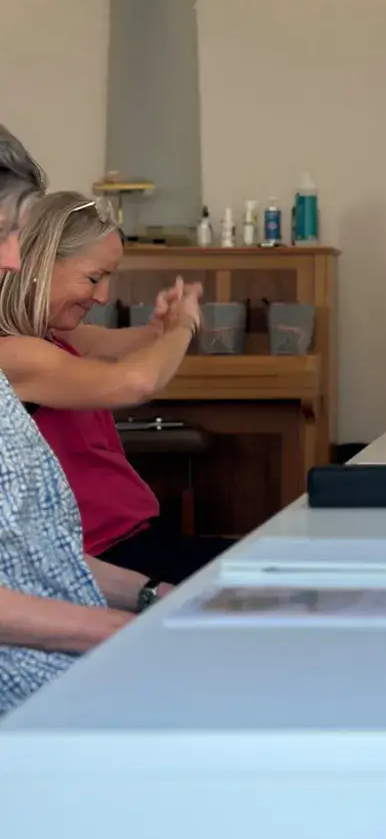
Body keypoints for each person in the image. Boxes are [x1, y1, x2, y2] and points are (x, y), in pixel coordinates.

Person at [0, 125, 167, 716]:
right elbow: (135, 382)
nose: (13, 259)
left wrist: (150, 596)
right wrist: (120, 631)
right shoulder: (18, 354)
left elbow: (40, 551)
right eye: (2, 236)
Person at [0, 189, 231, 585]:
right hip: (104, 559)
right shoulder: (14, 354)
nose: (104, 296)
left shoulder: (50, 335)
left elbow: (116, 346)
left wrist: (161, 328)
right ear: (41, 262)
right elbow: (137, 382)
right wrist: (184, 326)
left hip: (134, 540)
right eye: (94, 278)